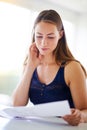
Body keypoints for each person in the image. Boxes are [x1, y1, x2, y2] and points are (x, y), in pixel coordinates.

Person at [12, 9, 87, 126]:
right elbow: (17, 105)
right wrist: (30, 67)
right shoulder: (29, 64)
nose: (43, 43)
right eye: (39, 36)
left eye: (50, 37)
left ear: (60, 35)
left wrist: (80, 116)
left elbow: (85, 110)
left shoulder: (71, 68)